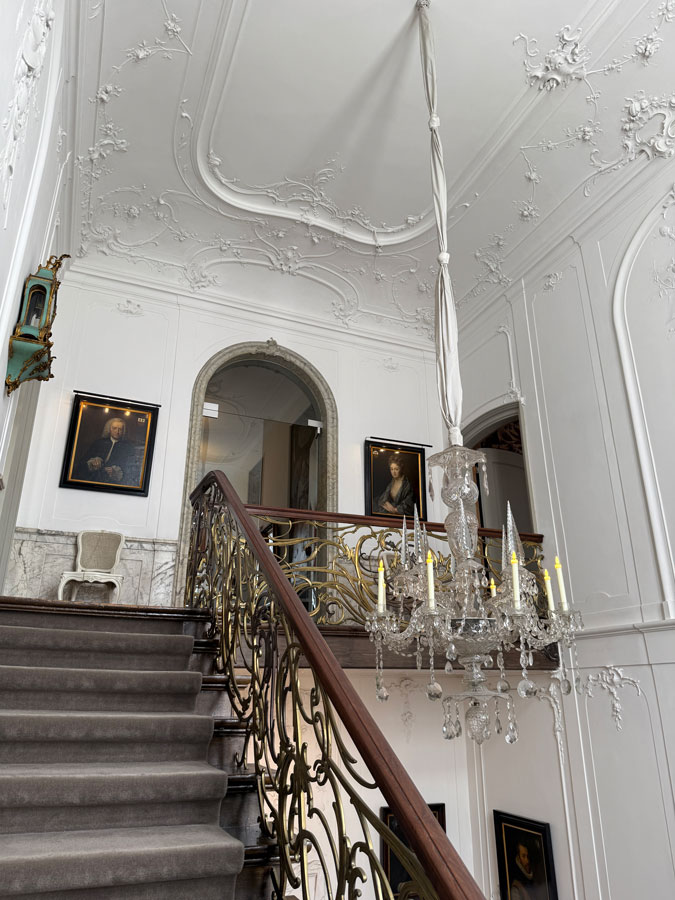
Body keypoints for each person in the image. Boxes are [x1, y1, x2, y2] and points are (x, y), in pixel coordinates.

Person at [75, 417, 138, 486]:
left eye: (120, 429)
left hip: (113, 484)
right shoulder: (99, 443)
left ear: (123, 431)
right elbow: (82, 463)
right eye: (114, 428)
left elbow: (131, 470)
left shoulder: (128, 447)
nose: (117, 432)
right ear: (109, 429)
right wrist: (92, 463)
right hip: (94, 479)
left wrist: (117, 472)